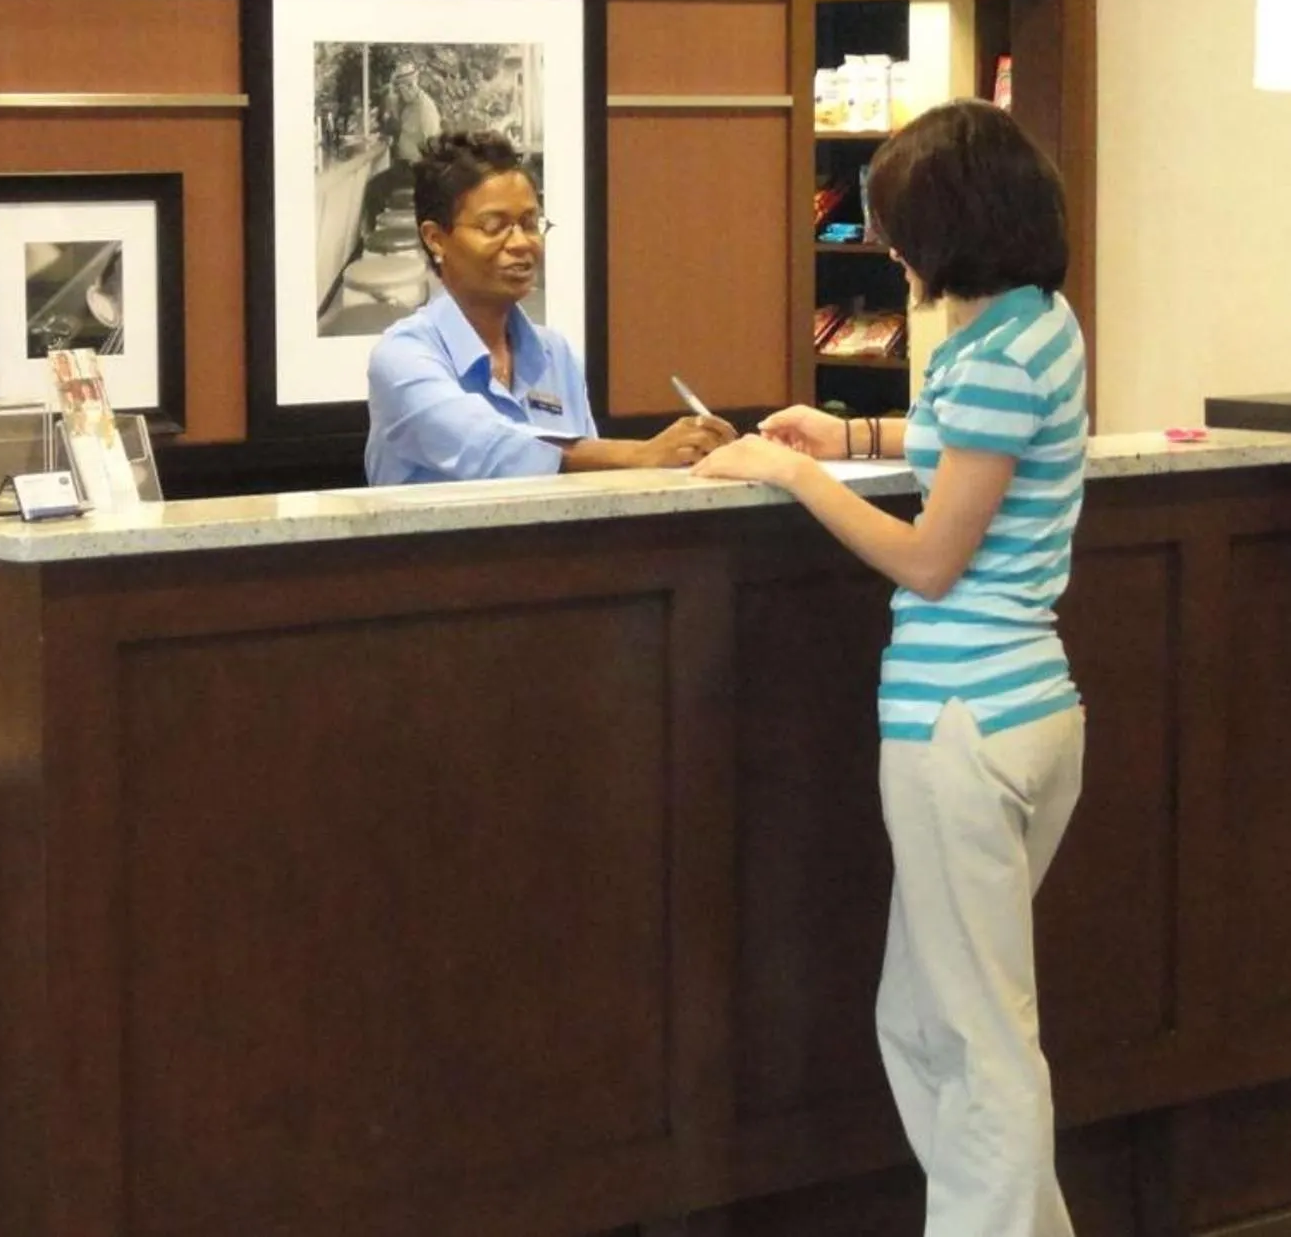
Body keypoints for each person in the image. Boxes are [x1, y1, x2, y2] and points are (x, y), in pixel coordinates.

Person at [693, 99, 1089, 1237]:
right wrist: (848, 435)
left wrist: (787, 474)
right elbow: (969, 453)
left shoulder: (986, 356)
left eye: (898, 230)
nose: (888, 253)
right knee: (922, 1018)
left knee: (974, 1030)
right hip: (1024, 710)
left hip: (959, 721)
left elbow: (929, 560)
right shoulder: (1035, 325)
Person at [365, 130, 736, 485]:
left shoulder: (555, 355)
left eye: (529, 223)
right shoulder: (403, 357)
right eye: (494, 226)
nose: (521, 243)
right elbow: (488, 449)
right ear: (436, 239)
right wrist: (641, 453)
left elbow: (590, 485)